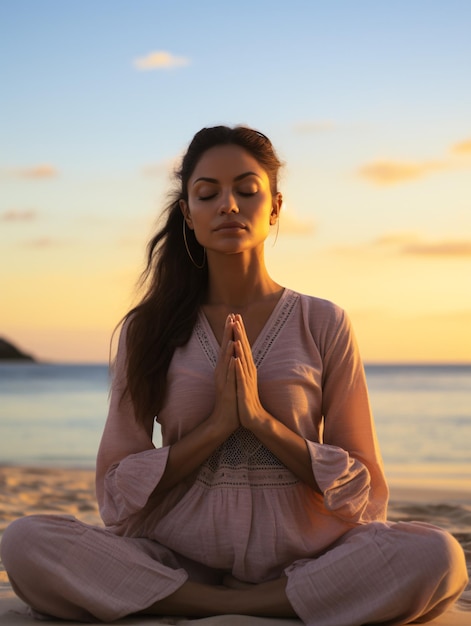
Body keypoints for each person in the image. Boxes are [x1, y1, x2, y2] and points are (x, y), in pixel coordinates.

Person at [1, 125, 468, 625]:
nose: (228, 205)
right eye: (208, 194)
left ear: (275, 207)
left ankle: (234, 602)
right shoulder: (149, 329)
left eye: (247, 191)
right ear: (188, 213)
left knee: (438, 556)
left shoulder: (323, 321)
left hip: (307, 556)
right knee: (25, 541)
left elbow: (365, 492)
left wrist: (261, 423)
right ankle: (244, 604)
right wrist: (217, 427)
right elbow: (115, 497)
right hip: (176, 558)